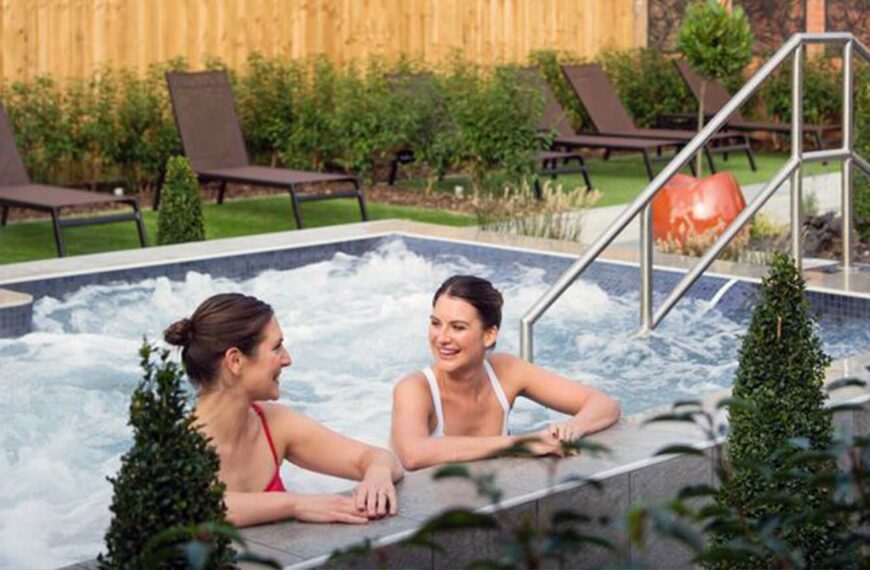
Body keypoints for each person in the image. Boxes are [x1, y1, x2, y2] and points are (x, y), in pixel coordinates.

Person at [164, 293, 403, 527]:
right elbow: (197, 508)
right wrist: (295, 504)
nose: (287, 359)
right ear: (235, 361)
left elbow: (378, 458)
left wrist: (377, 475)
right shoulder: (176, 449)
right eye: (277, 347)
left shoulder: (273, 424)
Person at [391, 275, 621, 470]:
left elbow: (604, 404)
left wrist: (572, 428)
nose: (441, 338)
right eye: (435, 323)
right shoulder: (415, 388)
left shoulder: (506, 371)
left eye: (458, 327)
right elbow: (413, 454)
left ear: (489, 335)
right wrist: (520, 444)